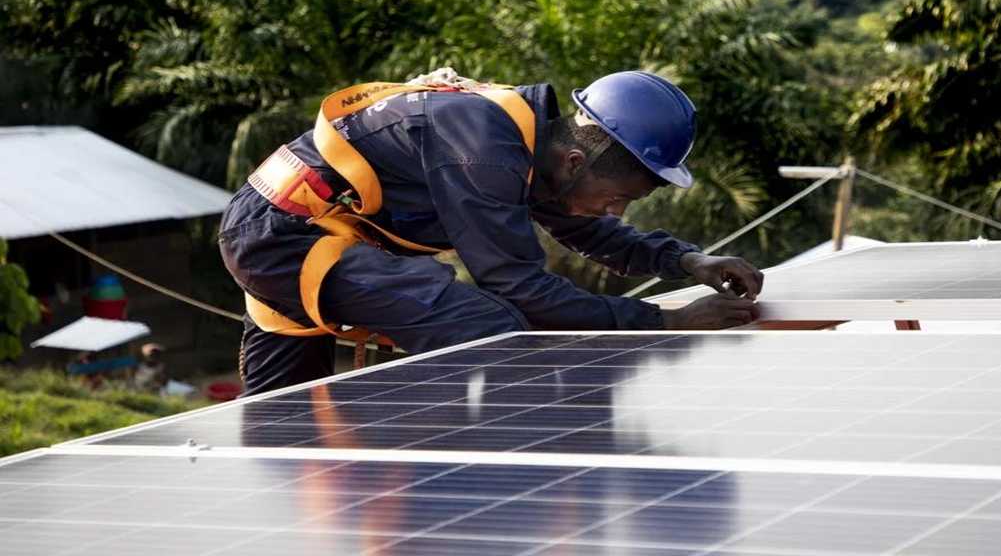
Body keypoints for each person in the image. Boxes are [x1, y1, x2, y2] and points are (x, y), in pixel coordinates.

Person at [219, 70, 764, 394]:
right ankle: (444, 477)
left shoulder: (529, 148)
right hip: (283, 239)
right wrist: (664, 322)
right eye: (619, 197)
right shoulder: (484, 150)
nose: (616, 211)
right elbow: (522, 288)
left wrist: (687, 263)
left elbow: (588, 229)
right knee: (490, 324)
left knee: (283, 419)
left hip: (301, 239)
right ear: (576, 159)